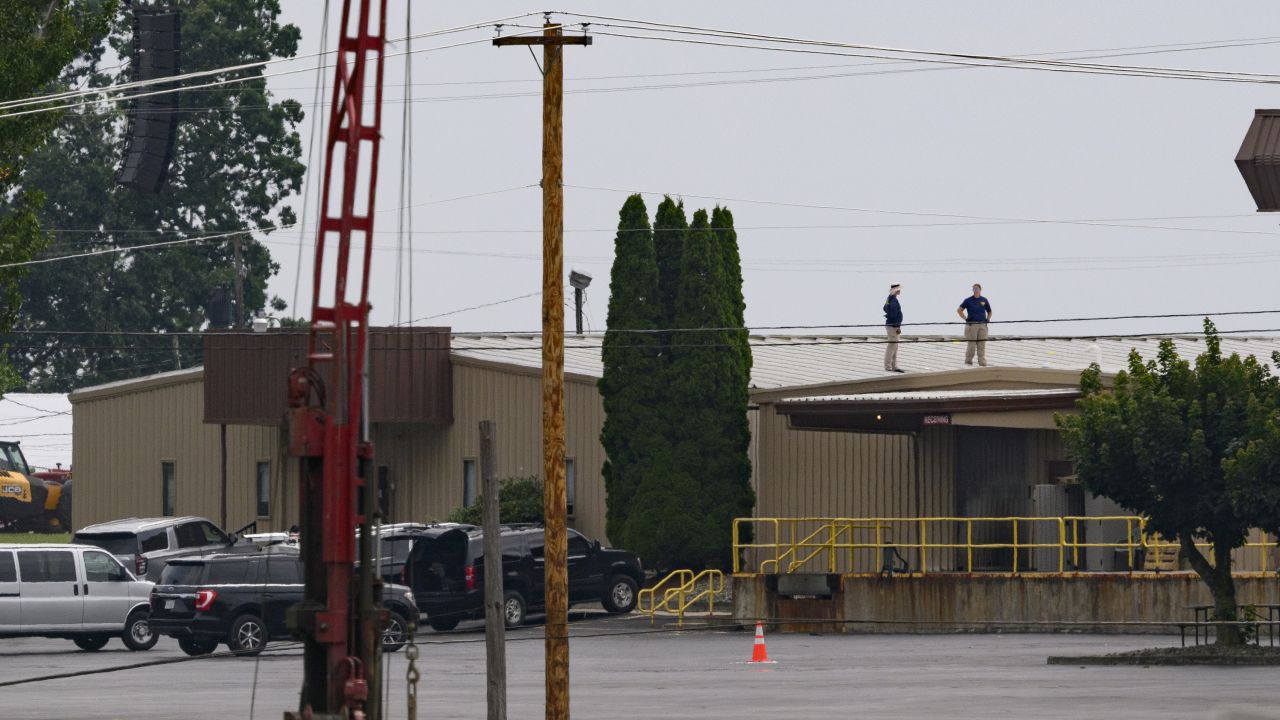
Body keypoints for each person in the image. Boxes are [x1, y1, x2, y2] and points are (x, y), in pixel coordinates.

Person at [956, 283, 993, 366]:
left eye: (977, 288)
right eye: (974, 288)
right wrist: (965, 318)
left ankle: (982, 362)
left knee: (982, 344)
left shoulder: (984, 300)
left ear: (980, 289)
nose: (975, 290)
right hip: (972, 325)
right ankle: (968, 361)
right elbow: (959, 310)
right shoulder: (968, 300)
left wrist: (988, 318)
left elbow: (989, 311)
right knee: (972, 344)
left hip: (982, 325)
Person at [883, 283, 904, 372]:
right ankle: (888, 366)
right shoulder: (893, 300)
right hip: (893, 326)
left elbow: (884, 308)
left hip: (892, 326)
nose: (900, 290)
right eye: (898, 289)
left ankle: (893, 365)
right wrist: (897, 325)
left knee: (894, 346)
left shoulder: (890, 298)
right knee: (892, 346)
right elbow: (893, 313)